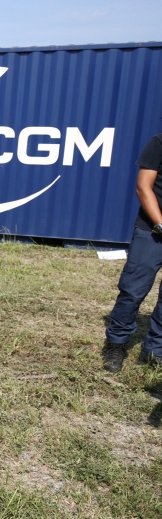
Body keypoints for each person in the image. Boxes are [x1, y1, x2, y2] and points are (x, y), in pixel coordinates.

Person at [104, 132, 162, 371]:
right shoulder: (160, 142)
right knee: (133, 291)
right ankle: (116, 344)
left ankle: (154, 352)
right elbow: (143, 187)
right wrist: (160, 224)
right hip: (152, 231)